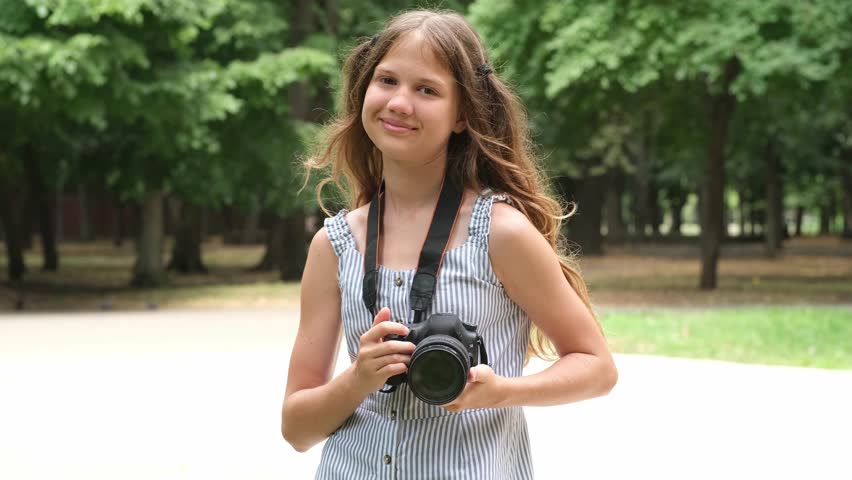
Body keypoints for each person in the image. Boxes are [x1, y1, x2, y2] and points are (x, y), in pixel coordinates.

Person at [282, 9, 617, 479]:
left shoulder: (501, 233)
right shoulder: (334, 245)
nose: (399, 102)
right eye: (387, 80)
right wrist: (359, 379)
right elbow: (296, 428)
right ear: (364, 92)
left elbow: (598, 367)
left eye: (427, 90)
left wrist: (501, 390)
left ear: (461, 115)